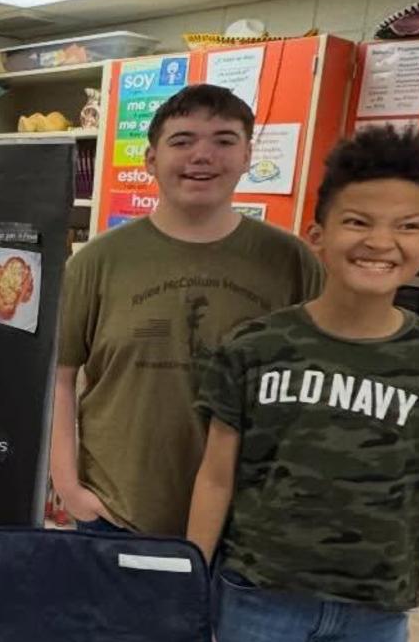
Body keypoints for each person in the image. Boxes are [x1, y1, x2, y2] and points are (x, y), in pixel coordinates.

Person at [187, 126, 419, 642]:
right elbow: (214, 480)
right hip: (257, 598)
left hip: (376, 614)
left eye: (407, 226)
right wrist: (187, 595)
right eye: (358, 222)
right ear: (317, 235)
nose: (380, 242)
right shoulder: (254, 347)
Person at [50, 84, 321, 537]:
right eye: (183, 141)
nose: (203, 155)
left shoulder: (292, 263)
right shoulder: (97, 261)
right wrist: (68, 485)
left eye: (223, 140)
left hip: (247, 522)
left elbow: (315, 384)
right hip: (118, 513)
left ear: (248, 155)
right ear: (151, 159)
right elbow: (59, 379)